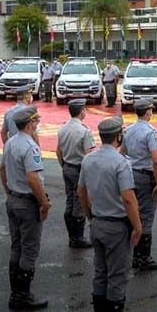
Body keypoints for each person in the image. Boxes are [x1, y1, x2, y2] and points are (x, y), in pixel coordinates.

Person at [77, 116, 142, 312]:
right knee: (117, 276)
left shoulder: (89, 159)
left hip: (97, 222)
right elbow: (128, 198)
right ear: (118, 136)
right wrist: (138, 226)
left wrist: (90, 215)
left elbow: (81, 192)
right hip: (116, 226)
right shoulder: (120, 162)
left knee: (100, 272)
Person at [0, 105, 51, 310]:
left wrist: (9, 192)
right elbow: (33, 178)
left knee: (16, 246)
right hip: (27, 203)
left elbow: (2, 170)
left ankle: (16, 293)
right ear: (30, 123)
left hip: (13, 198)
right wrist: (44, 203)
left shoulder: (11, 142)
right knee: (29, 250)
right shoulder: (30, 147)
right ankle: (23, 295)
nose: (38, 124)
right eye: (36, 121)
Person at [120, 99, 157, 271]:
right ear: (148, 113)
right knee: (146, 215)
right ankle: (143, 257)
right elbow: (156, 160)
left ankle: (133, 253)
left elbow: (122, 153)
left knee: (132, 212)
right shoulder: (150, 132)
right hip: (145, 177)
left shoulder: (128, 130)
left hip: (131, 175)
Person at [56, 99, 95, 248]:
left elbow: (58, 151)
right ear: (82, 111)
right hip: (79, 169)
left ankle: (72, 236)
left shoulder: (63, 128)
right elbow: (89, 155)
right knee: (79, 202)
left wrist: (64, 165)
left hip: (67, 167)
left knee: (70, 200)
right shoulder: (84, 131)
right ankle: (78, 237)